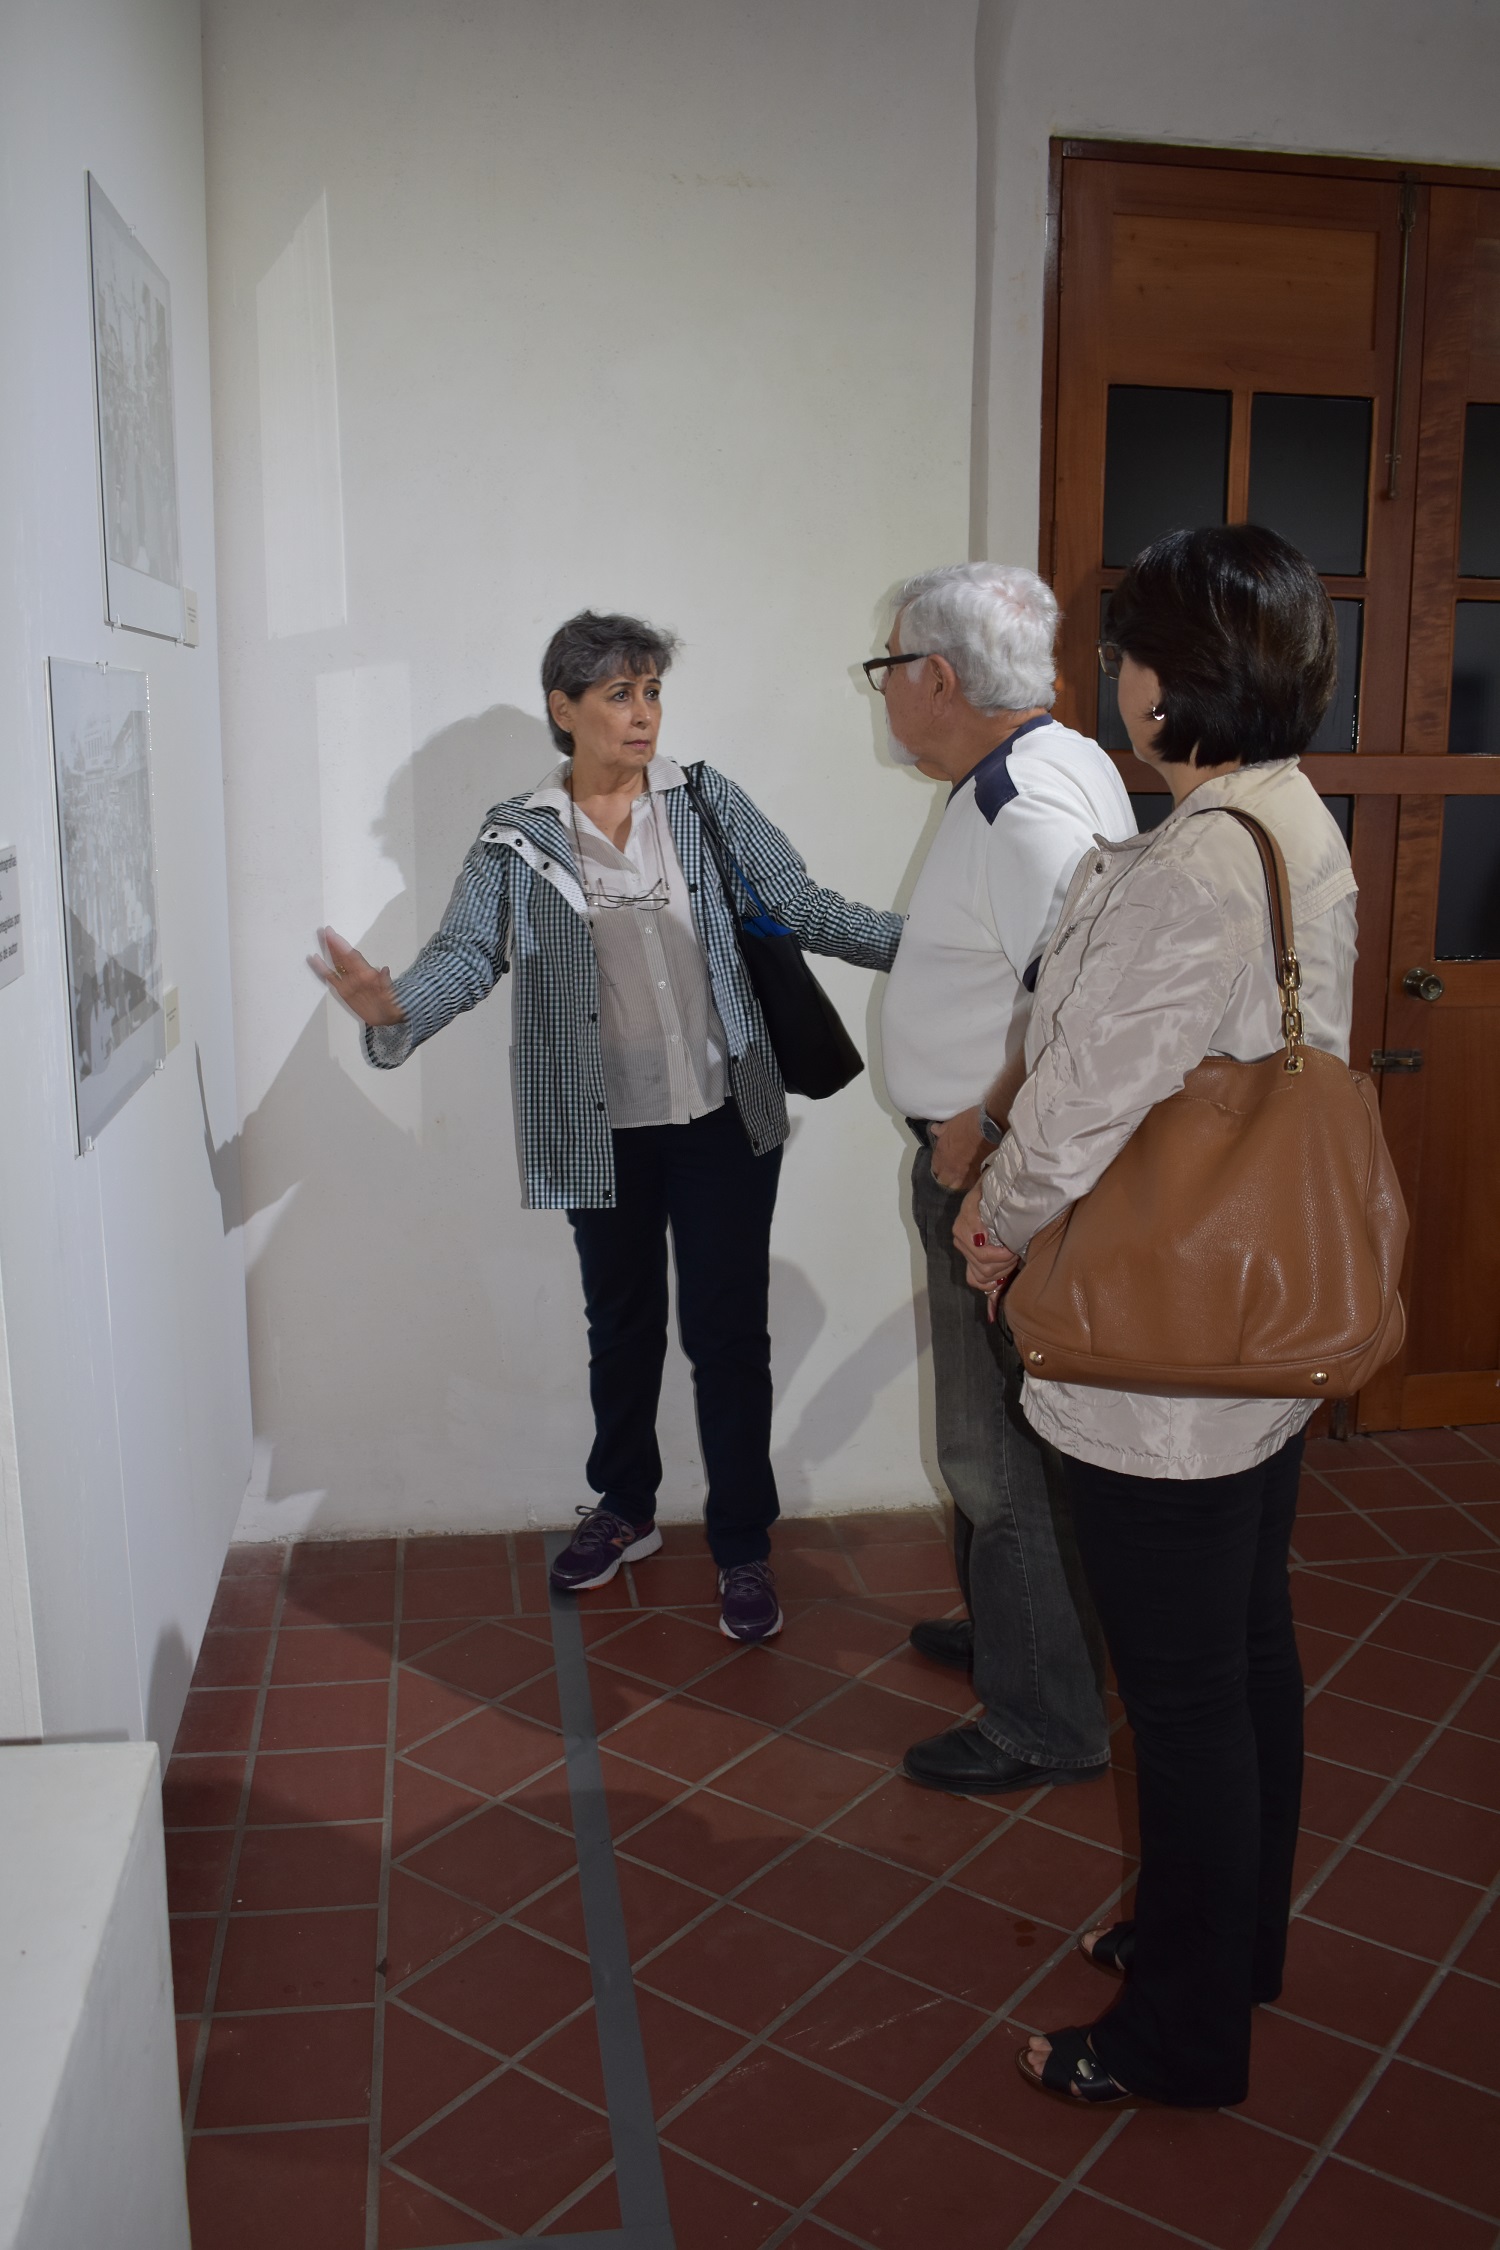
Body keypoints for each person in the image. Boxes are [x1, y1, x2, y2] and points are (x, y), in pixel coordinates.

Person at [961, 525, 1355, 2107]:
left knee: (1184, 1695)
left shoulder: (1199, 854)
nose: (1111, 680)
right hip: (1250, 1327)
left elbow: (1086, 1099)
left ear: (1180, 675)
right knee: (1244, 1653)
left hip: (1161, 1355)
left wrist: (992, 1222)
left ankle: (1188, 2032)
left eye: (1127, 651)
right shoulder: (1280, 819)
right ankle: (1229, 1936)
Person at [315, 610, 901, 1644]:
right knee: (621, 1327)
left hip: (724, 1116)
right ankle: (624, 1507)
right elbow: (466, 955)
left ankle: (743, 1546)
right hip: (599, 1130)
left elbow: (803, 904)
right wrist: (395, 1007)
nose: (644, 714)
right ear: (565, 709)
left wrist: (932, 944)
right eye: (621, 694)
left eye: (652, 692)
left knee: (728, 1337)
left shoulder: (707, 802)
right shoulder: (517, 836)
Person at [871, 563, 1135, 1793]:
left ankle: (1044, 1718)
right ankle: (1022, 1628)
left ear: (937, 678)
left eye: (889, 671)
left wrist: (980, 1129)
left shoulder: (1024, 801)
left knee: (994, 1451)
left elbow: (1083, 1001)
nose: (885, 697)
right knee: (1011, 1434)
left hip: (997, 1169)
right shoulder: (1053, 760)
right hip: (995, 1155)